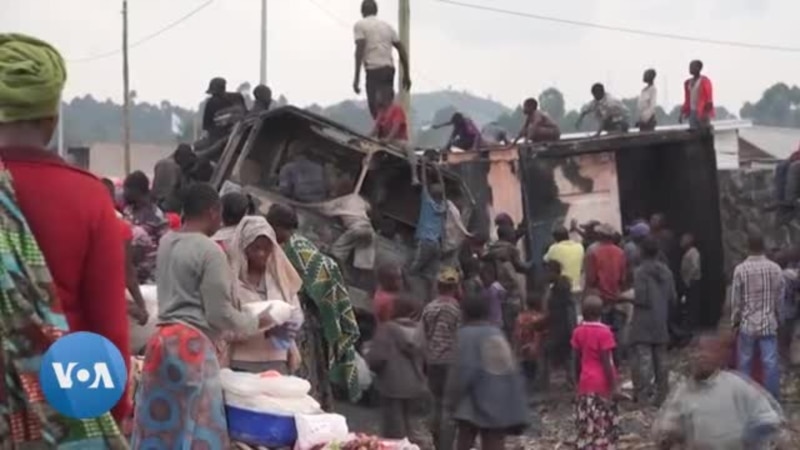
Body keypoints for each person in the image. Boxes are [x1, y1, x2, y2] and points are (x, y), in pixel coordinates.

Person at [0, 33, 130, 445]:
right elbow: (107, 331)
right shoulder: (89, 197)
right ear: (52, 119)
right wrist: (112, 414)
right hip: (61, 409)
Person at [132, 184, 274, 448]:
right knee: (197, 424)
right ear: (213, 211)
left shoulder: (167, 242)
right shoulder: (209, 251)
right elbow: (219, 314)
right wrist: (259, 321)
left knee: (159, 423)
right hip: (191, 347)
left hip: (160, 342)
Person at [266, 204, 362, 409]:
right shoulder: (287, 244)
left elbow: (323, 276)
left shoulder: (297, 248)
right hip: (295, 316)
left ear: (281, 226)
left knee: (301, 370)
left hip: (304, 319)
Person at [654, 332, 785, 450]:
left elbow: (770, 418)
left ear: (720, 357)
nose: (700, 356)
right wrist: (667, 435)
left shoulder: (737, 385)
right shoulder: (682, 391)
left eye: (707, 351)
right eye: (695, 351)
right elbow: (664, 427)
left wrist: (756, 439)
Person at [445, 292, 528, 450]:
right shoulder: (496, 333)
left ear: (465, 314)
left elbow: (462, 372)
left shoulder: (466, 335)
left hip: (473, 402)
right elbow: (512, 369)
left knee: (464, 440)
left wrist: (451, 400)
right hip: (500, 400)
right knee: (494, 442)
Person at [226, 216, 305, 374]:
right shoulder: (230, 283)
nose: (262, 254)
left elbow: (295, 312)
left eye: (267, 248)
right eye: (256, 248)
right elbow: (224, 329)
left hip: (277, 362)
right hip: (242, 363)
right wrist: (263, 327)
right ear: (244, 248)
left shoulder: (280, 281)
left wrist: (287, 326)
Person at [367, 293, 428, 445]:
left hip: (392, 386)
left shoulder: (387, 329)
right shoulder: (421, 332)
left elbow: (377, 358)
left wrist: (368, 358)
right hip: (415, 385)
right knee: (411, 428)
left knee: (393, 432)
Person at [731, 230, 784, 400]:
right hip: (769, 323)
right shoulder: (775, 269)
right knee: (770, 363)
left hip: (747, 324)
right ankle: (771, 401)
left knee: (744, 363)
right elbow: (779, 297)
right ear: (764, 247)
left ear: (748, 247)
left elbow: (736, 300)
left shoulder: (740, 269)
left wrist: (735, 321)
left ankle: (744, 399)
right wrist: (779, 317)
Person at [630, 237, 676, 407]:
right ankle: (662, 396)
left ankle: (642, 397)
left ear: (642, 252)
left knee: (644, 360)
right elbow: (673, 298)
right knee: (662, 360)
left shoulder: (640, 272)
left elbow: (641, 298)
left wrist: (627, 298)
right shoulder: (667, 272)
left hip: (643, 320)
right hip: (661, 319)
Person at [571, 296, 621, 450]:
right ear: (601, 313)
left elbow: (576, 360)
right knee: (603, 425)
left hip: (585, 383)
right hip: (602, 385)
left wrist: (576, 383)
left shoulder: (578, 331)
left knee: (588, 424)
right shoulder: (605, 333)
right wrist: (614, 387)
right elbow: (607, 362)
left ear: (583, 312)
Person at [421, 266, 462, 450]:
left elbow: (422, 336)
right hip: (451, 363)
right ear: (455, 288)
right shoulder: (456, 309)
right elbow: (459, 337)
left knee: (435, 403)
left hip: (432, 362)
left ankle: (437, 443)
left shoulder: (429, 308)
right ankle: (446, 446)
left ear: (437, 286)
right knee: (449, 407)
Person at [102, 177, 149, 328]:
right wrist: (140, 307)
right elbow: (128, 272)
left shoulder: (79, 228)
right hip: (109, 305)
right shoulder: (121, 228)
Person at [353, 0, 411, 118]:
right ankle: (387, 133)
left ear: (362, 11)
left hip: (373, 70)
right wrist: (407, 74)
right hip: (388, 70)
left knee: (374, 107)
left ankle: (381, 133)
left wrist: (356, 78)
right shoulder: (387, 26)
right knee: (386, 106)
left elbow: (359, 50)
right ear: (376, 11)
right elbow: (402, 49)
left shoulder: (360, 25)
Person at [122, 170, 169, 283]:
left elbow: (165, 246)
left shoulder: (157, 216)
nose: (124, 193)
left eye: (126, 189)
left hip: (150, 277)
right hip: (129, 273)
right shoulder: (128, 211)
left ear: (136, 190)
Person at [408, 167, 446, 302]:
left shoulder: (427, 202)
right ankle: (432, 302)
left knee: (410, 272)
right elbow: (444, 190)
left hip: (425, 243)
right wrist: (439, 173)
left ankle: (410, 299)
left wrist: (423, 165)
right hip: (436, 245)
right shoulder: (443, 207)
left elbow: (423, 182)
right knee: (432, 277)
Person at [584, 224, 627, 335]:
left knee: (601, 332)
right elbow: (623, 279)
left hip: (600, 299)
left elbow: (591, 279)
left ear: (599, 235)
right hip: (616, 297)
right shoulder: (620, 252)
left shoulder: (593, 251)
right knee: (617, 333)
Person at [371, 86, 418, 185]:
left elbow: (395, 128)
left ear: (386, 97)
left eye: (379, 96)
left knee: (409, 147)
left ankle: (414, 176)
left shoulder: (397, 110)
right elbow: (375, 129)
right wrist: (366, 138)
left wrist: (388, 140)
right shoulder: (381, 112)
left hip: (398, 141)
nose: (377, 99)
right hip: (384, 140)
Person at [542, 260, 577, 389]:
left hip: (561, 327)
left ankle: (549, 382)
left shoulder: (559, 290)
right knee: (568, 356)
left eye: (547, 271)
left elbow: (552, 309)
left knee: (550, 352)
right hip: (562, 326)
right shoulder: (559, 288)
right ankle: (570, 381)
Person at [328, 176, 376, 269]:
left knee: (337, 252)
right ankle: (361, 280)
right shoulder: (360, 200)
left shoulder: (340, 201)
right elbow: (370, 209)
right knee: (364, 263)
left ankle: (334, 272)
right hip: (368, 229)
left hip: (356, 228)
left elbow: (323, 209)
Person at [513, 290, 547, 391]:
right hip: (537, 349)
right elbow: (542, 334)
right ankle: (536, 389)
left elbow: (517, 334)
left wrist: (517, 347)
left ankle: (526, 390)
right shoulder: (540, 318)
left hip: (523, 348)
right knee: (536, 371)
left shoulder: (520, 317)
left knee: (525, 370)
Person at [151, 143, 197, 213]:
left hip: (155, 204)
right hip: (170, 206)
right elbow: (182, 190)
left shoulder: (160, 163)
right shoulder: (177, 168)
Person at [544, 225, 585, 297]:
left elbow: (545, 259)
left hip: (562, 290)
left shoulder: (554, 248)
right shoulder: (580, 247)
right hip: (578, 288)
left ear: (555, 238)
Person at [680, 59, 714, 130]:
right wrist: (682, 113)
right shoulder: (688, 83)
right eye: (690, 67)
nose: (690, 69)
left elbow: (709, 99)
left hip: (702, 112)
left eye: (692, 66)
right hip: (692, 112)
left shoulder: (705, 81)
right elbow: (687, 99)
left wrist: (705, 113)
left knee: (703, 133)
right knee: (693, 132)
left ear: (698, 68)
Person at [679, 232, 703, 329]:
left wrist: (689, 280)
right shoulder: (687, 253)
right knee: (688, 304)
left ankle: (692, 325)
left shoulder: (693, 252)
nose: (681, 242)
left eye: (683, 240)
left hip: (693, 282)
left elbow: (695, 267)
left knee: (692, 304)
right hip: (688, 282)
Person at [480, 262, 506, 328]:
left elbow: (503, 296)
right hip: (486, 321)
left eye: (485, 278)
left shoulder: (496, 286)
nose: (483, 280)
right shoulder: (483, 288)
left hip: (496, 320)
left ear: (492, 276)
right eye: (482, 278)